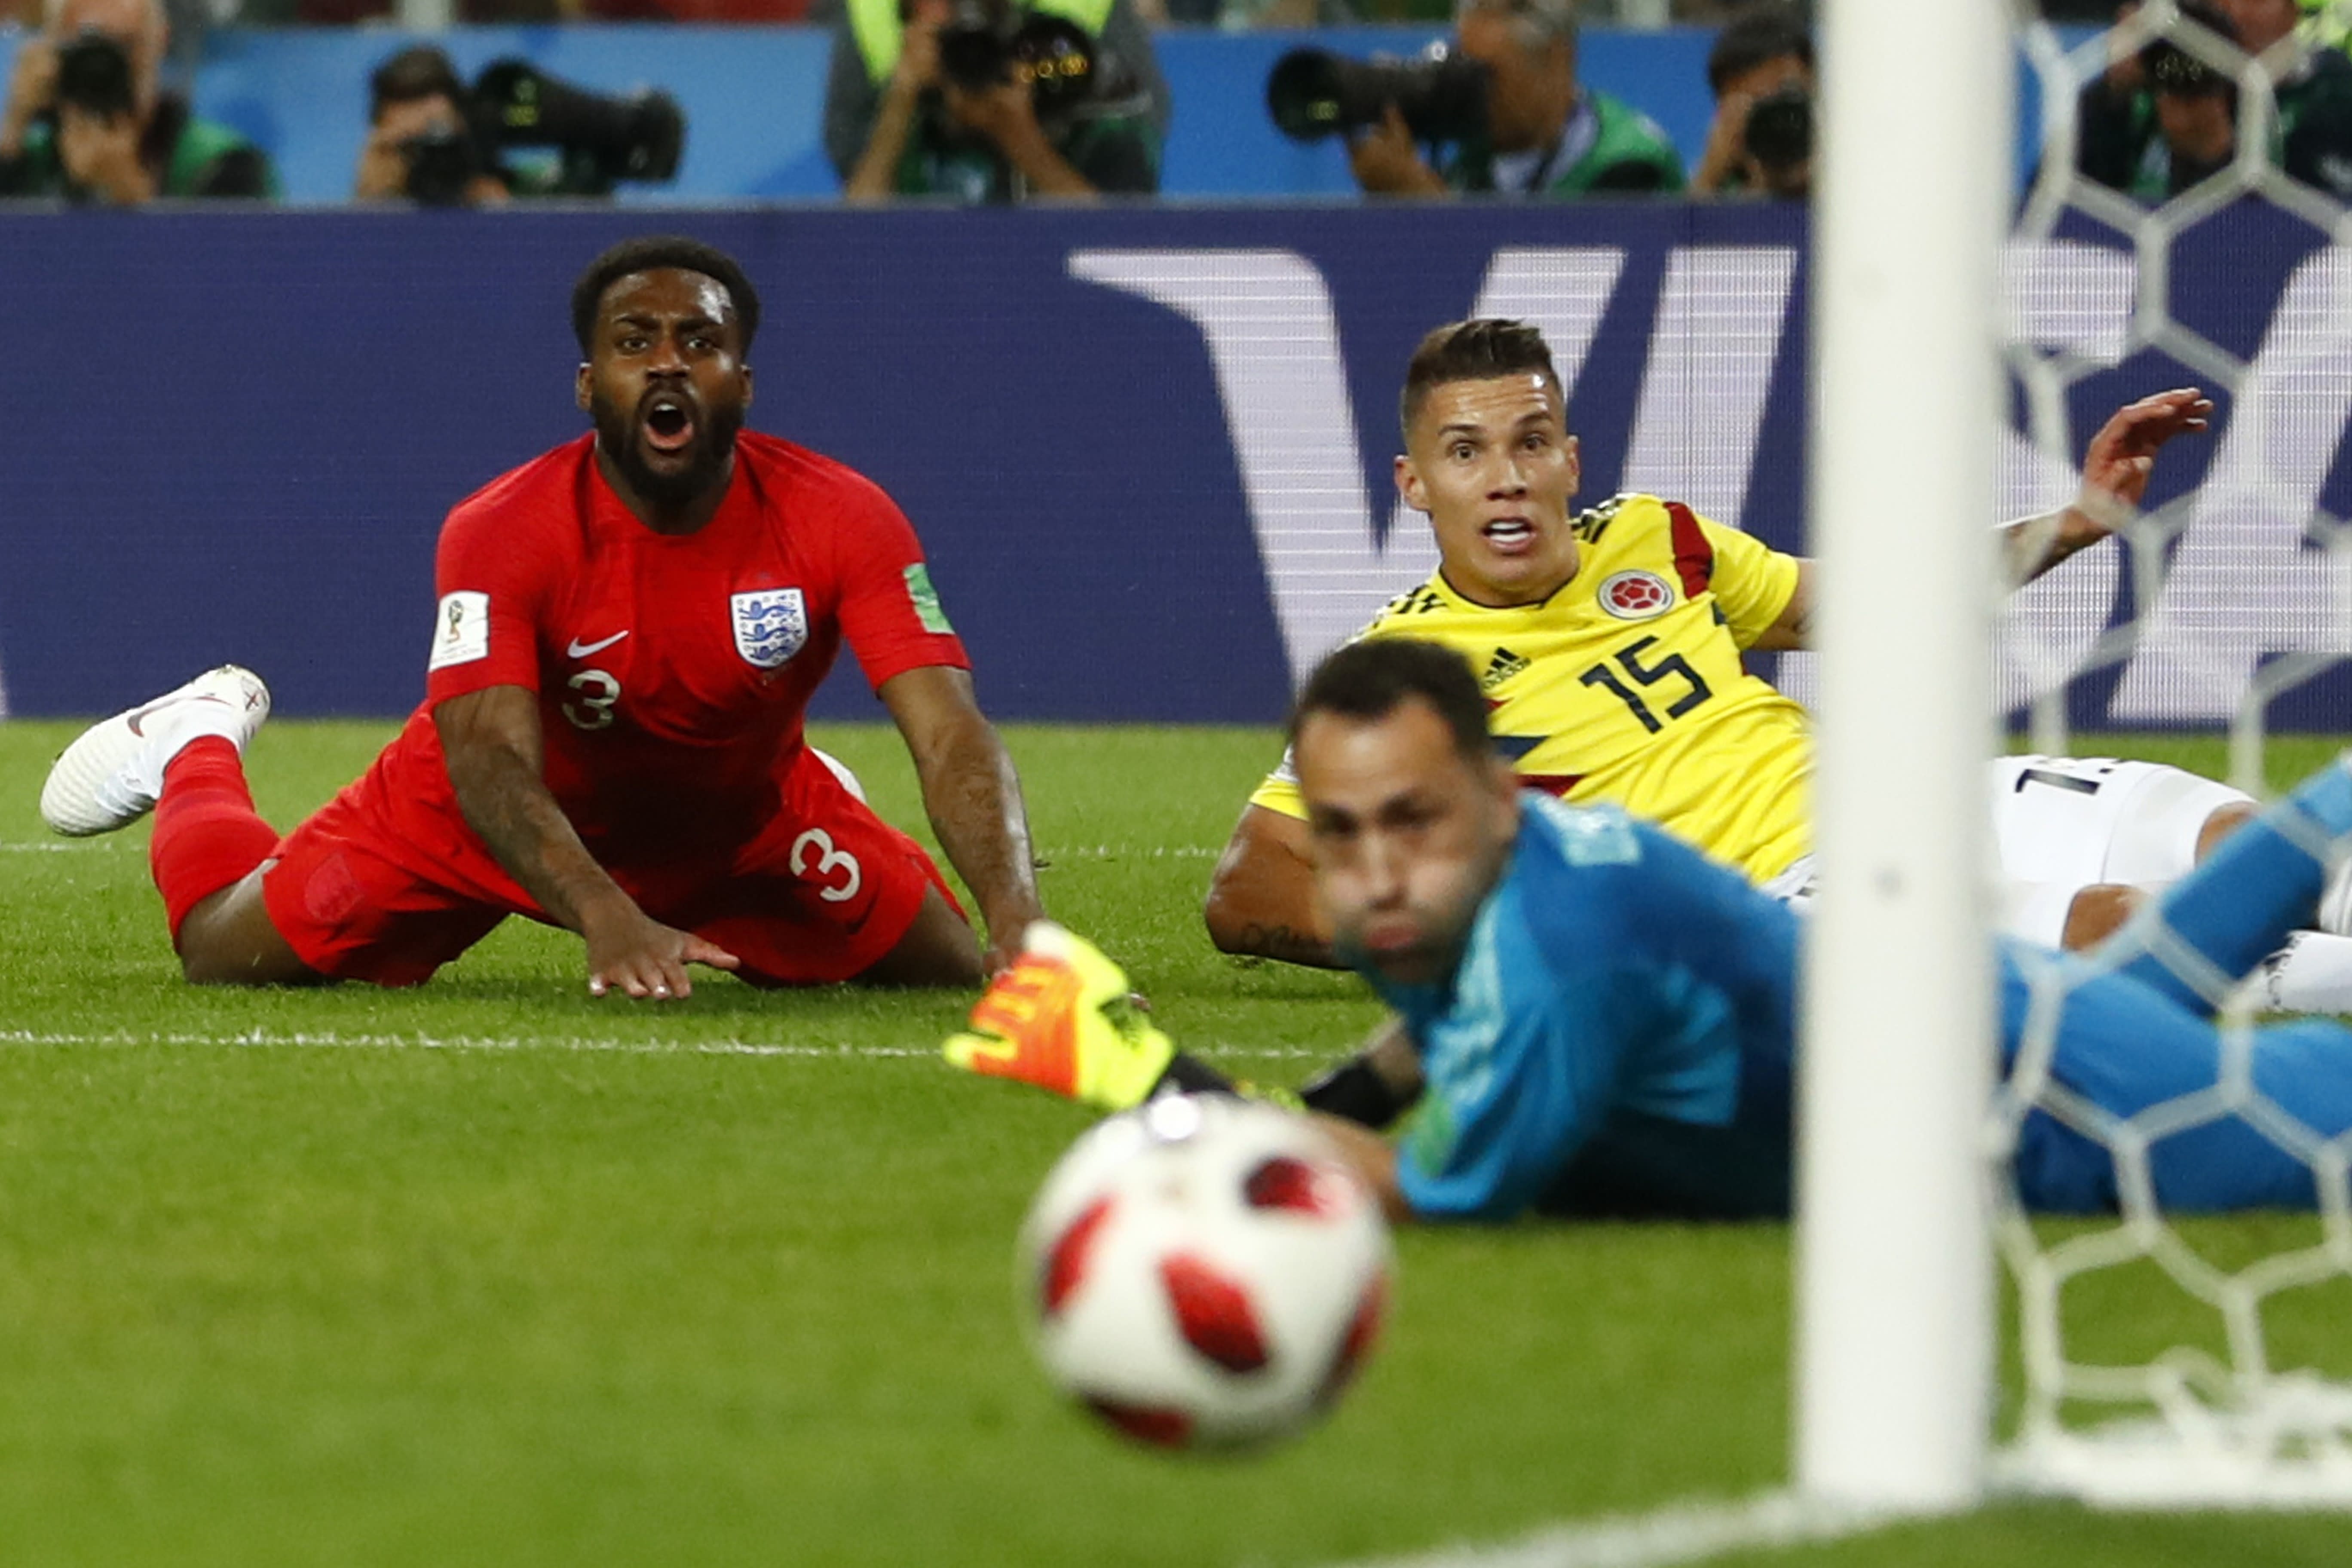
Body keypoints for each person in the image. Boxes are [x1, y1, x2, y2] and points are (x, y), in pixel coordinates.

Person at [949, 637, 2352, 1221]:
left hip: (2071, 1106)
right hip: (2007, 1010)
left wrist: (1137, 1075)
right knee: (2233, 912)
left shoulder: (1573, 949)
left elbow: (1396, 1185)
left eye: (1411, 819)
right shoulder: (1508, 871)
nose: (1373, 870)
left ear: (1499, 796)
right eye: (1343, 826)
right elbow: (1396, 1066)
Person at [1197, 318, 2352, 1015]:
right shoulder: (1396, 672)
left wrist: (2080, 520)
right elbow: (1249, 886)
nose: (1504, 477)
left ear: (1567, 459)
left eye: (1528, 443)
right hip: (1785, 900)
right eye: (1465, 453)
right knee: (2137, 927)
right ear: (1416, 487)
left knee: (2259, 845)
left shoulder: (1660, 537)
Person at [39, 235, 1047, 998]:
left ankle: (808, 791)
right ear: (586, 385)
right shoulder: (501, 528)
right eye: (632, 343)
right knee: (224, 955)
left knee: (955, 971)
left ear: (741, 382)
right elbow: (483, 754)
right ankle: (195, 739)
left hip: (735, 817)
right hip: (479, 808)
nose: (664, 364)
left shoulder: (843, 515)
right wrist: (608, 913)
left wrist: (1019, 920)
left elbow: (949, 726)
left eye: (698, 343)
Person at [825, 0, 1167, 202]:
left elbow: (1122, 246)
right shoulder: (906, 88)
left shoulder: (1093, 88)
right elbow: (852, 247)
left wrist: (1021, 139)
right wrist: (899, 104)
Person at [1348, 0, 1684, 199]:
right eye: (1463, 72)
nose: (1470, 94)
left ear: (1557, 61)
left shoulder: (1630, 165)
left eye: (1485, 76)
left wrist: (1426, 209)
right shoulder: (1471, 162)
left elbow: (1568, 303)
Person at [2076, 0, 2352, 202]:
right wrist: (2112, 97)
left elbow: (2315, 247)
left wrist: (2215, 156)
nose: (2230, 9)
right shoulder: (2152, 83)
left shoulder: (2328, 92)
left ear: (2291, 14)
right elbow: (2059, 228)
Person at [0, 0, 273, 203]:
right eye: (86, 46)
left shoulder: (222, 164)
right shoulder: (32, 162)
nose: (102, 65)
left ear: (161, 42)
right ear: (52, 52)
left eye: (125, 45)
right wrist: (14, 125)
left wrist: (128, 193)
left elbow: (239, 269)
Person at [352, 46, 511, 207]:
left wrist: (501, 208)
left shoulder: (490, 166)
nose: (436, 158)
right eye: (414, 144)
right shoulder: (383, 159)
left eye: (442, 140)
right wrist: (371, 199)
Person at [1688, 5, 1813, 200]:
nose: (1780, 122)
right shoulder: (1722, 191)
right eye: (1757, 106)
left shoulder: (1865, 168)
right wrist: (1708, 180)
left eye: (1789, 97)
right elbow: (1681, 228)